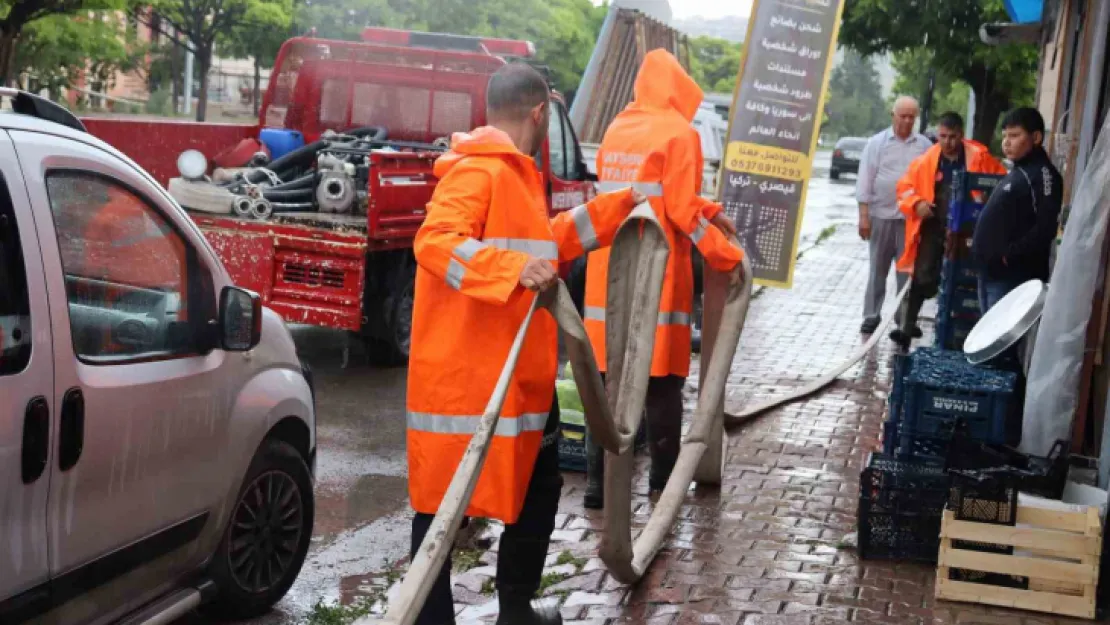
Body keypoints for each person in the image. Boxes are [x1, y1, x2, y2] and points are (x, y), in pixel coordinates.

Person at [405, 62, 644, 625]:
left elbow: (546, 243)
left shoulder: (514, 173)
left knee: (535, 492)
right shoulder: (479, 171)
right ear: (540, 113)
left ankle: (516, 609)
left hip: (516, 381)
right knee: (443, 504)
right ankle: (433, 618)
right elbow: (435, 242)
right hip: (469, 380)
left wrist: (615, 207)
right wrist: (511, 269)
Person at [580, 49, 744, 509]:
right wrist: (723, 254)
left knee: (608, 380)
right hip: (657, 270)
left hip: (607, 270)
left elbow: (645, 189)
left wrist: (710, 210)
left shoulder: (617, 128)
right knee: (662, 381)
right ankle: (661, 486)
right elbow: (678, 207)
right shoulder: (680, 133)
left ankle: (596, 488)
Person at [889, 112, 1006, 349]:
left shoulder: (979, 157)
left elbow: (1002, 182)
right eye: (942, 136)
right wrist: (918, 204)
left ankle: (963, 334)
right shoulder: (926, 162)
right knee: (922, 276)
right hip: (934, 225)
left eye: (952, 137)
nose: (947, 142)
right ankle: (905, 327)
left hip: (968, 229)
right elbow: (904, 188)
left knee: (965, 277)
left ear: (961, 135)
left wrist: (986, 198)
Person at [855, 96, 933, 334]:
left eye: (912, 116)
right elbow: (865, 180)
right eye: (903, 116)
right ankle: (871, 315)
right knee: (877, 270)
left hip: (910, 221)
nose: (908, 121)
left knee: (906, 274)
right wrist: (864, 216)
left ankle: (904, 320)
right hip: (881, 215)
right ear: (893, 115)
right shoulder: (877, 143)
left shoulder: (924, 146)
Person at [973, 107, 1063, 312]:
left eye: (1014, 135)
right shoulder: (1019, 171)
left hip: (1011, 278)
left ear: (1036, 137)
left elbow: (1046, 227)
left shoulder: (1043, 175)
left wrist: (1009, 255)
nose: (1006, 142)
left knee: (1001, 343)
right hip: (990, 274)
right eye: (1005, 135)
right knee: (988, 342)